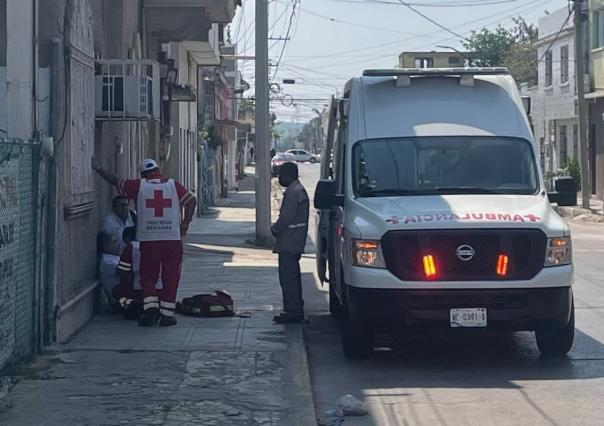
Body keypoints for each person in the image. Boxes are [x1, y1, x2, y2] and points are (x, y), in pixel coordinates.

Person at [93, 158, 196, 327]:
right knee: (171, 276)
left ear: (142, 174)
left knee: (148, 277)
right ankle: (167, 315)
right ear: (158, 170)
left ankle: (151, 312)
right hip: (172, 240)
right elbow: (191, 200)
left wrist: (98, 168)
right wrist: (185, 223)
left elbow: (116, 181)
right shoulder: (173, 185)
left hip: (149, 240)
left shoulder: (139, 186)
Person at [271, 162, 309, 324]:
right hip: (294, 241)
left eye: (281, 175)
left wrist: (275, 229)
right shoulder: (298, 190)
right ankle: (295, 308)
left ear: (289, 174)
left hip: (289, 241)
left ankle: (293, 311)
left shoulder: (293, 192)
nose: (279, 178)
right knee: (292, 277)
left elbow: (286, 218)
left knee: (288, 278)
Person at [113, 227, 164, 320]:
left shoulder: (131, 247)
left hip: (137, 290)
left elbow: (122, 271)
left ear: (128, 238)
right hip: (160, 289)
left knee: (116, 291)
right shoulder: (158, 244)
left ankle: (132, 306)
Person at [97, 232, 121, 306]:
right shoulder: (107, 262)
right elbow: (126, 271)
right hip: (119, 301)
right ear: (106, 246)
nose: (118, 245)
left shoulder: (114, 258)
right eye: (114, 242)